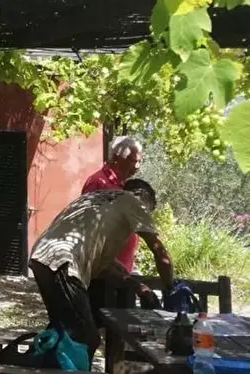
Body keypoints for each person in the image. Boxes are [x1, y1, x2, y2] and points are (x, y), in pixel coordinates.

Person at [29, 179, 173, 360]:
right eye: (149, 209)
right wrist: (171, 288)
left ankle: (29, 365)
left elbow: (102, 267)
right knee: (86, 339)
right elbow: (160, 253)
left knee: (61, 333)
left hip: (42, 256)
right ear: (144, 197)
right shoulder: (135, 201)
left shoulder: (96, 199)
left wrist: (136, 286)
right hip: (63, 262)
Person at [82, 136, 143, 272]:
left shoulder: (124, 185)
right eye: (133, 161)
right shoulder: (98, 182)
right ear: (116, 158)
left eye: (140, 161)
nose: (137, 167)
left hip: (123, 268)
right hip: (104, 270)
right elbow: (88, 225)